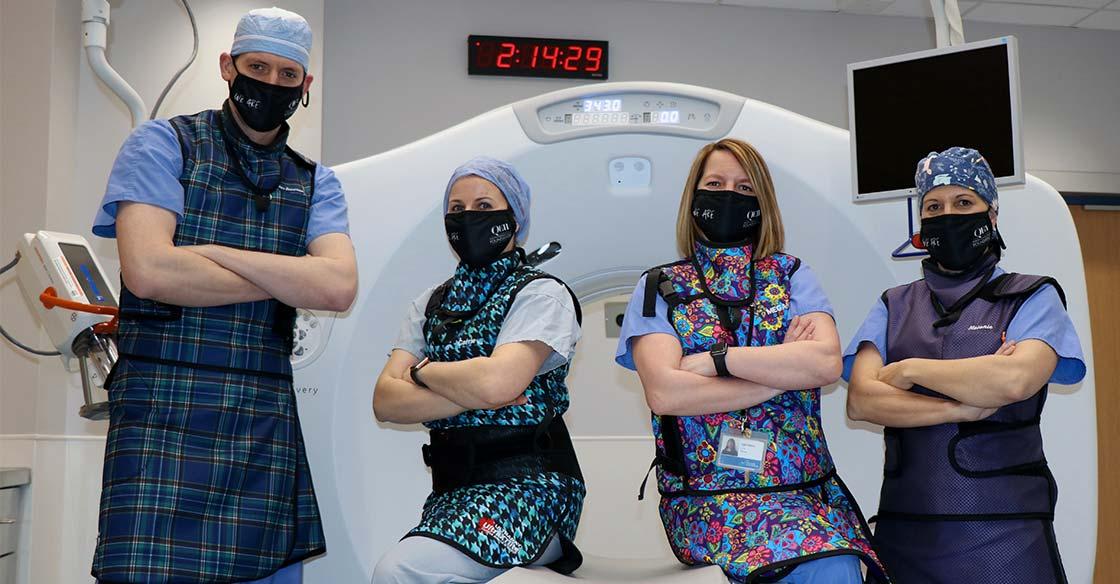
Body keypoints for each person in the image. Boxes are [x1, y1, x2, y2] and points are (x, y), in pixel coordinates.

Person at [90, 8, 356, 583]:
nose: (272, 84)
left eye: (289, 76)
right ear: (226, 66)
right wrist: (287, 273)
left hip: (262, 421)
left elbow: (336, 286)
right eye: (257, 67)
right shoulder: (162, 144)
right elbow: (150, 272)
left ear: (305, 87)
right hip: (161, 411)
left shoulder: (316, 181)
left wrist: (213, 252)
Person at [615, 139, 888, 583]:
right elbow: (665, 392)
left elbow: (824, 363)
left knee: (849, 560)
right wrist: (781, 376)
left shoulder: (792, 274)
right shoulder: (660, 286)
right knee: (829, 563)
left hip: (806, 494)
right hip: (709, 501)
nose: (728, 196)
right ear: (693, 197)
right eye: (716, 183)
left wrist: (718, 361)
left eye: (744, 189)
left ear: (762, 204)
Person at [844, 147, 1086, 584]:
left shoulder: (1031, 297)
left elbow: (1014, 379)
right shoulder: (893, 305)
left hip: (1005, 539)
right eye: (933, 207)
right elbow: (862, 400)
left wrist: (909, 371)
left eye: (963, 203)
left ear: (991, 216)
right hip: (906, 537)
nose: (947, 215)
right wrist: (962, 406)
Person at [371, 157, 585, 583]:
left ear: (515, 218)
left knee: (399, 572)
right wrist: (471, 393)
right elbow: (384, 402)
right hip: (452, 498)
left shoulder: (541, 295)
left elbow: (497, 383)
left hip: (530, 493)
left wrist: (420, 373)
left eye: (484, 207)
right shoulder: (430, 303)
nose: (468, 218)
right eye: (456, 209)